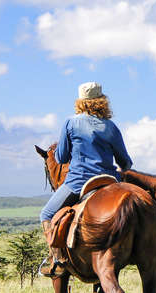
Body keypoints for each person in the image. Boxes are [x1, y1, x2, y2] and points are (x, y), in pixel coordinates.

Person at [39, 82, 133, 276]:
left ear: (80, 102)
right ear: (102, 101)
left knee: (46, 214)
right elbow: (125, 162)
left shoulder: (71, 123)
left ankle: (57, 260)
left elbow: (62, 157)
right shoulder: (111, 126)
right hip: (110, 181)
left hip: (79, 181)